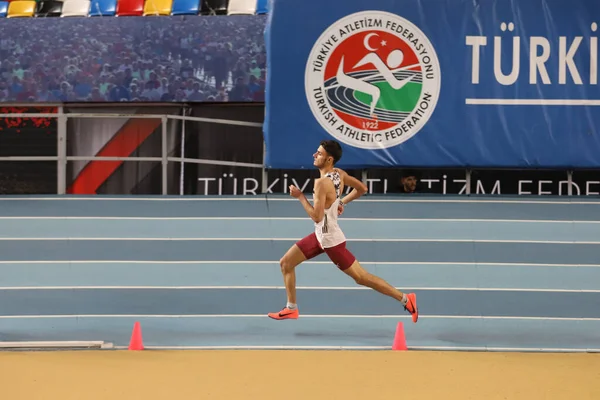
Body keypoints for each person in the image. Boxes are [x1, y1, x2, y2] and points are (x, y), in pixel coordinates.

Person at [267, 140, 419, 323]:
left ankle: (405, 298)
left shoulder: (321, 184)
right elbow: (362, 188)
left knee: (362, 277)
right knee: (286, 263)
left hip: (330, 240)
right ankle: (291, 308)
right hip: (320, 235)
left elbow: (316, 216)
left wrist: (300, 197)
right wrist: (341, 202)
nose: (315, 155)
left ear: (329, 159)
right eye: (316, 152)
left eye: (319, 153)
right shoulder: (339, 174)